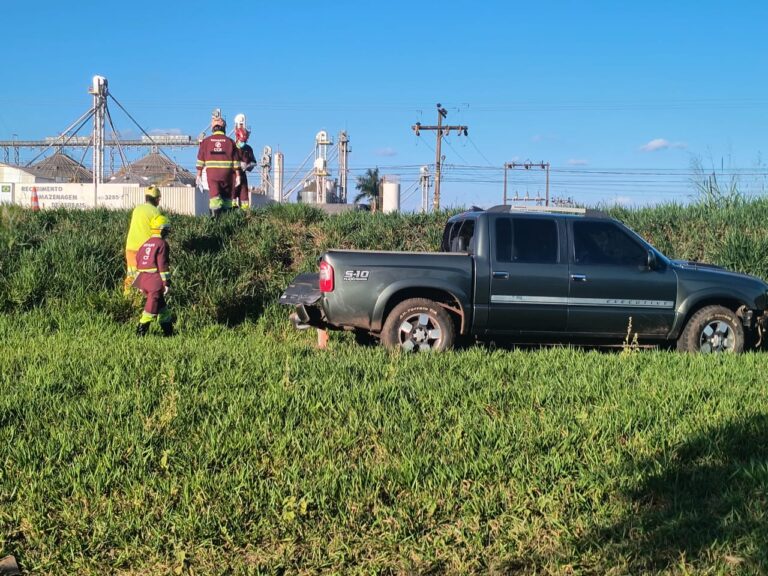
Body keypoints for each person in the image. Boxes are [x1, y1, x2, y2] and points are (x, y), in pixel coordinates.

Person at [134, 214, 173, 337]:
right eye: (166, 229)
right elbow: (162, 265)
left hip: (143, 278)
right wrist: (166, 283)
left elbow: (138, 259)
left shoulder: (146, 243)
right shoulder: (162, 244)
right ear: (161, 230)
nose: (167, 232)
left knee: (162, 308)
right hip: (154, 280)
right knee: (150, 308)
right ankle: (140, 332)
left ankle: (169, 332)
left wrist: (139, 282)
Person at [196, 113, 241, 217]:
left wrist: (198, 175)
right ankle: (227, 219)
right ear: (224, 128)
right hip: (228, 176)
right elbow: (236, 161)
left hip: (212, 175)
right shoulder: (230, 142)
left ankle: (215, 219)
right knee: (227, 199)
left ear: (212, 128)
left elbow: (200, 160)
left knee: (214, 198)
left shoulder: (205, 142)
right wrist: (238, 175)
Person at [124, 185, 161, 295]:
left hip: (130, 246)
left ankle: (127, 298)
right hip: (145, 249)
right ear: (157, 199)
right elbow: (158, 232)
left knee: (131, 274)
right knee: (146, 276)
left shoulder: (137, 209)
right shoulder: (155, 212)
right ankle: (144, 300)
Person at [234, 124, 257, 210]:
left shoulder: (248, 149)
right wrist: (239, 164)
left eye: (245, 141)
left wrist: (248, 165)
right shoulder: (232, 147)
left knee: (244, 197)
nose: (243, 143)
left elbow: (254, 162)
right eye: (241, 141)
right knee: (232, 196)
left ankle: (244, 213)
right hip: (232, 176)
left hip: (243, 176)